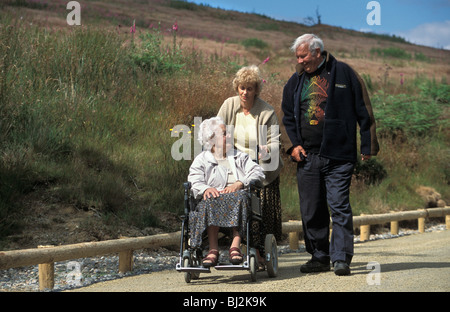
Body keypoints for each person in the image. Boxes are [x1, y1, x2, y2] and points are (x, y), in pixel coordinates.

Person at [281, 34, 379, 276]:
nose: (300, 60)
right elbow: (286, 119)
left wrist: (368, 145)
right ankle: (320, 256)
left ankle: (341, 258)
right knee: (311, 209)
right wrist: (292, 146)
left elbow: (364, 110)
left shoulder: (344, 73)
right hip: (307, 156)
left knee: (339, 205)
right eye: (297, 56)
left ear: (317, 52)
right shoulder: (296, 81)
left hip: (339, 155)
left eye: (303, 55)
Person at [217, 65, 284, 266]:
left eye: (250, 89)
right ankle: (232, 242)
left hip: (260, 166)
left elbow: (274, 141)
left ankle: (259, 250)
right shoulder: (229, 105)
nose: (245, 93)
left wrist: (267, 150)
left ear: (256, 90)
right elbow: (216, 129)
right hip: (234, 164)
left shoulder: (266, 111)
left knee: (259, 207)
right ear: (237, 87)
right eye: (242, 88)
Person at [188, 117, 265, 267]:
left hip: (237, 197)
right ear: (212, 139)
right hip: (214, 198)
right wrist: (206, 188)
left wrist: (240, 183)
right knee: (208, 200)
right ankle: (213, 249)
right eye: (224, 134)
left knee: (241, 196)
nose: (229, 136)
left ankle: (235, 245)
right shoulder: (201, 160)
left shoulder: (239, 156)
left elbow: (258, 172)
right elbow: (194, 180)